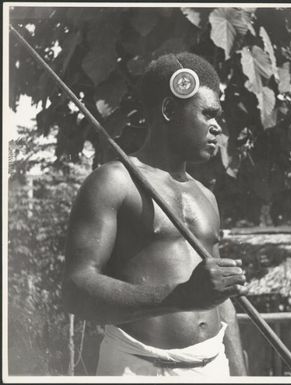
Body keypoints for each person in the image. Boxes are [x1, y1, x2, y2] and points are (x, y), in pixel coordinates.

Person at [63, 52, 248, 377]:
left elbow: (221, 297)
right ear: (168, 110)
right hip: (139, 367)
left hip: (213, 367)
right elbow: (76, 288)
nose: (218, 126)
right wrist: (181, 297)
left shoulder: (207, 197)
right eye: (208, 114)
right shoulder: (115, 181)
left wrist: (241, 374)